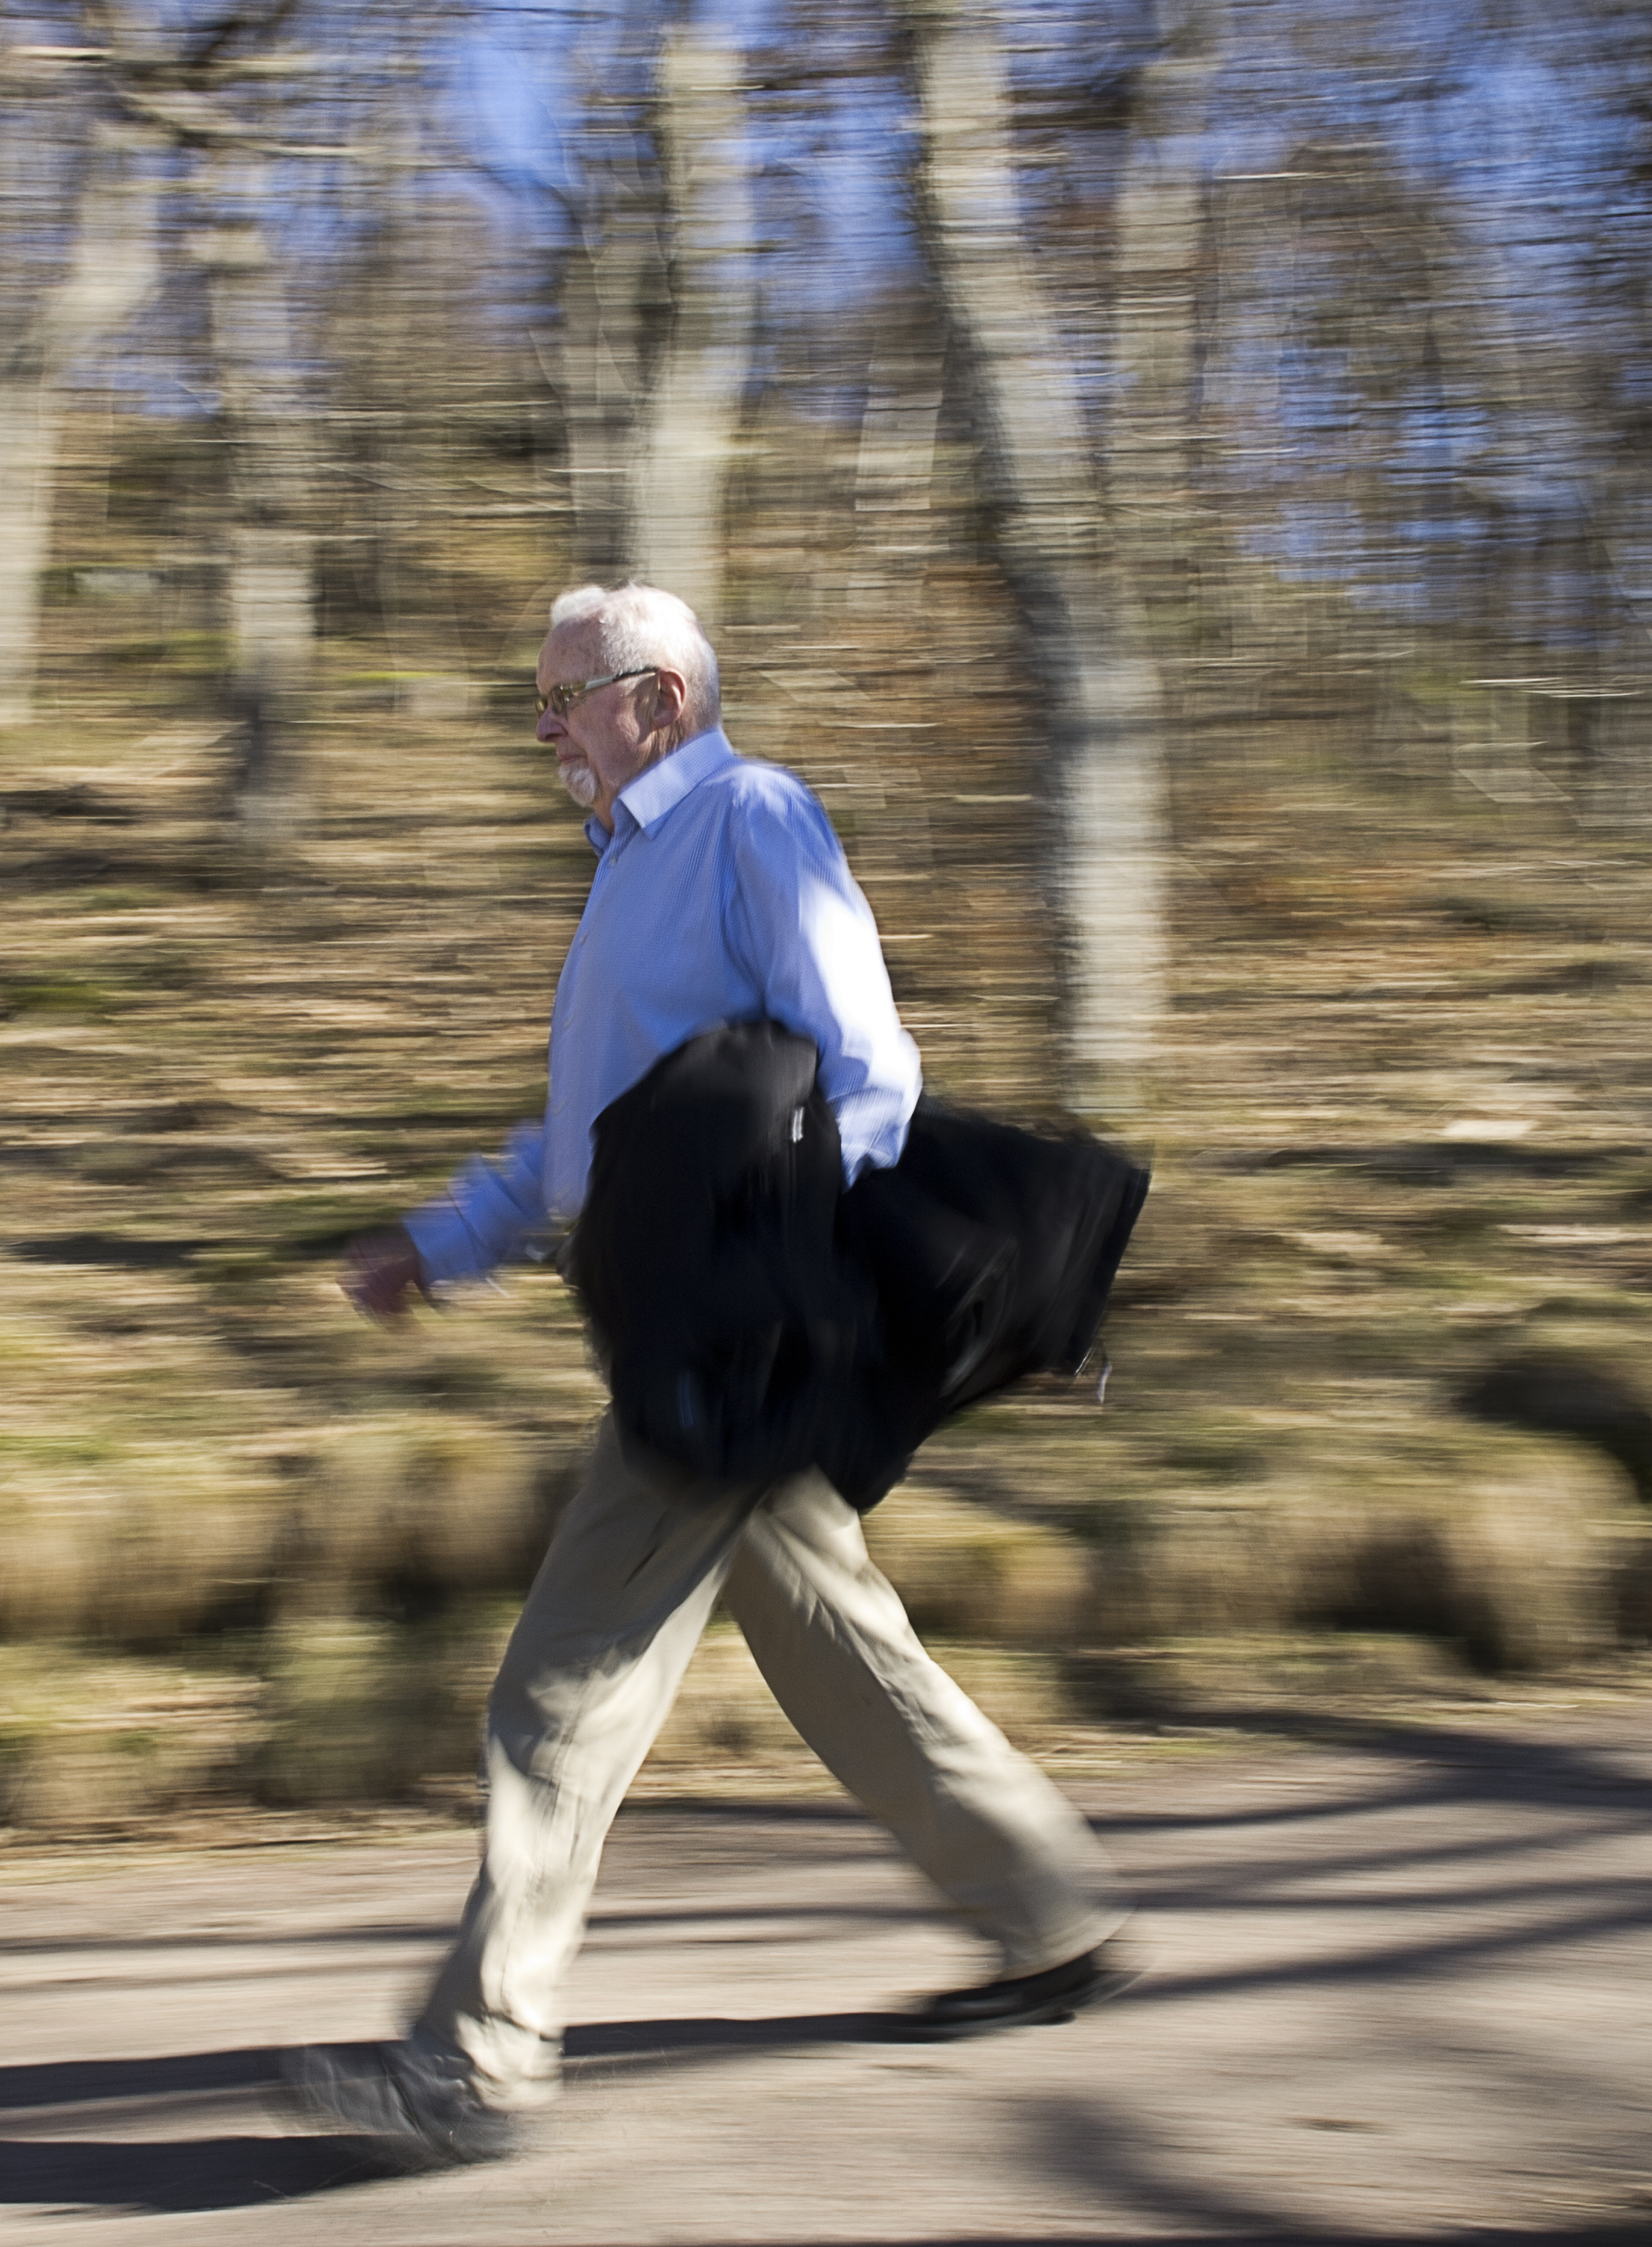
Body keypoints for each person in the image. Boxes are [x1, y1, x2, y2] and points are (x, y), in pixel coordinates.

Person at [280, 583, 1132, 2171]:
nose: (541, 732)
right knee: (839, 1644)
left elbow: (865, 1064)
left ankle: (478, 2056)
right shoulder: (627, 873)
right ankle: (1052, 1909)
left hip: (732, 1335)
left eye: (560, 700)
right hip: (687, 1324)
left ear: (654, 701)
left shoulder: (748, 815)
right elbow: (581, 1149)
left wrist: (776, 1275)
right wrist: (436, 1241)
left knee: (562, 1692)